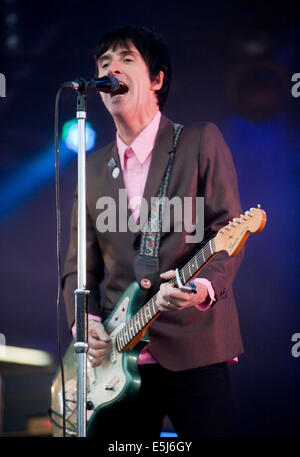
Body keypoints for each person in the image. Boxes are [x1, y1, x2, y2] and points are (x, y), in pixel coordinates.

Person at [62, 25, 245, 439]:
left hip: (195, 351)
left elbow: (226, 233)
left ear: (157, 79)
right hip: (116, 362)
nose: (112, 69)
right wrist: (85, 321)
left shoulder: (199, 141)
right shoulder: (89, 170)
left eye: (126, 59)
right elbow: (78, 269)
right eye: (104, 63)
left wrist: (201, 288)